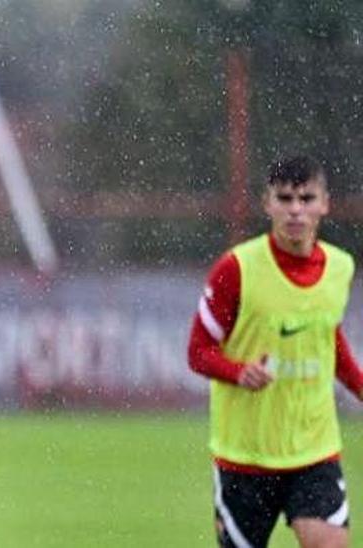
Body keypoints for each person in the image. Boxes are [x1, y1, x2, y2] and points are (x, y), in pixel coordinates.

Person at [188, 155, 363, 548]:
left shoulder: (340, 268)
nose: (296, 209)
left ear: (324, 203)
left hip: (314, 451)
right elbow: (198, 351)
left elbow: (327, 339)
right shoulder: (236, 269)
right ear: (267, 204)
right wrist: (238, 372)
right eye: (284, 198)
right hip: (245, 458)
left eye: (306, 198)